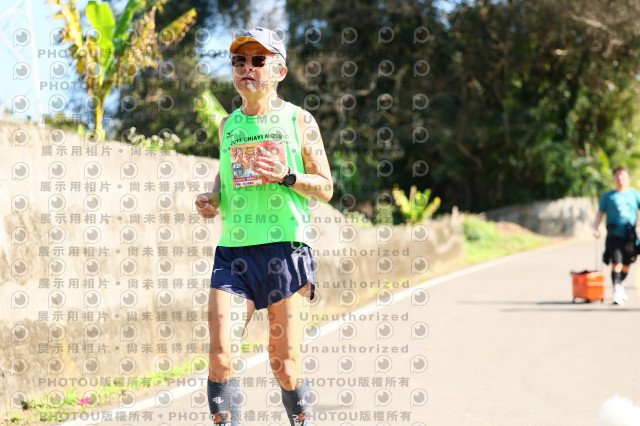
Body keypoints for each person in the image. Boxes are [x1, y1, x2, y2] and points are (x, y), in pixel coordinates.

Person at [194, 27, 333, 426]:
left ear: (280, 71)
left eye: (258, 60)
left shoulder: (299, 119)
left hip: (284, 249)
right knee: (221, 356)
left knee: (285, 366)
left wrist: (288, 176)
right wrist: (212, 198)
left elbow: (325, 187)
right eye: (239, 61)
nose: (247, 68)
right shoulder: (228, 125)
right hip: (233, 251)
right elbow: (225, 176)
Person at [593, 166, 640, 305]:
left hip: (630, 235)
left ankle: (619, 284)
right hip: (614, 234)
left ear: (627, 178)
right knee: (616, 262)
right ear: (613, 178)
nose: (620, 178)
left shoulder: (635, 194)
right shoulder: (608, 197)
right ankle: (616, 290)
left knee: (626, 264)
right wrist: (596, 228)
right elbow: (599, 214)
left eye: (622, 175)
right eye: (617, 175)